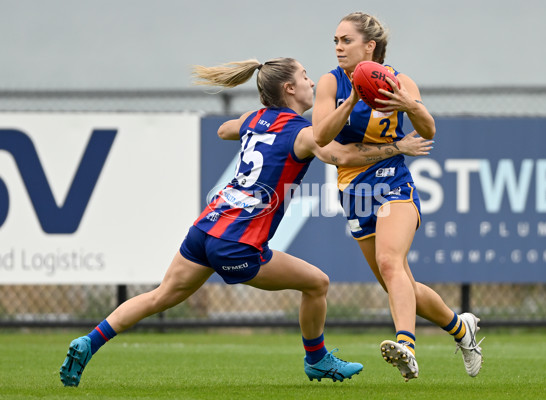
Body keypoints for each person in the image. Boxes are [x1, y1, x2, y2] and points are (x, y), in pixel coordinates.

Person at [59, 57, 434, 387]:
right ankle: (317, 359)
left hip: (206, 229)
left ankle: (89, 342)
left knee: (160, 295)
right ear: (289, 89)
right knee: (318, 283)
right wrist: (388, 138)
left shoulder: (255, 119)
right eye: (305, 77)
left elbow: (225, 129)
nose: (312, 83)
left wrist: (247, 128)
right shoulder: (300, 135)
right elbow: (337, 152)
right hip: (238, 243)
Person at [312, 12, 484, 381]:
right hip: (354, 192)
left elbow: (428, 129)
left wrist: (410, 105)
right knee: (398, 281)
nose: (339, 47)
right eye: (336, 41)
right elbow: (322, 137)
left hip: (394, 183)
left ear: (369, 46)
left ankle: (405, 344)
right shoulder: (330, 83)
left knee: (391, 263)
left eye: (346, 40)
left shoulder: (399, 80)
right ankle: (460, 329)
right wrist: (353, 99)